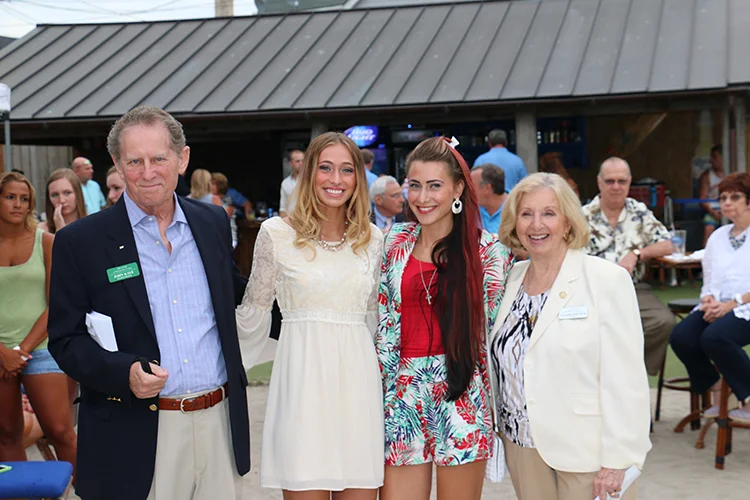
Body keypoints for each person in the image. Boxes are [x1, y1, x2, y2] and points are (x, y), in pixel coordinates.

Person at [47, 106, 250, 500]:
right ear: (117, 164)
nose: (148, 172)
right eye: (134, 161)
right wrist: (123, 373)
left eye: (159, 158)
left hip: (219, 425)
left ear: (182, 159)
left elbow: (236, 295)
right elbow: (65, 339)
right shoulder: (80, 242)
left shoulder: (211, 222)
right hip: (137, 433)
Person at [235, 132, 384, 498]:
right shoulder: (275, 234)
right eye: (325, 168)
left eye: (346, 170)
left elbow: (375, 321)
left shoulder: (374, 239)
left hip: (358, 390)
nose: (336, 179)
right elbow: (252, 314)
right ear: (308, 173)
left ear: (358, 178)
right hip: (302, 391)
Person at [494, 172, 651, 500]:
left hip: (587, 453)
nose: (537, 225)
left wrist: (619, 459)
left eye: (549, 213)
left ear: (568, 222)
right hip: (521, 447)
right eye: (526, 214)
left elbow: (626, 379)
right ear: (514, 223)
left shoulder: (606, 280)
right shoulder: (509, 280)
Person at [377, 137, 512, 500]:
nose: (423, 197)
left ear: (457, 189)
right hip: (401, 394)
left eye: (434, 185)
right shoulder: (392, 243)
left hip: (462, 390)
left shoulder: (487, 252)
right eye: (415, 185)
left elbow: (497, 331)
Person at [0, 172, 77, 475]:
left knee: (60, 431)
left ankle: (82, 492)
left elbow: (56, 303)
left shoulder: (46, 242)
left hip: (42, 348)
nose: (18, 204)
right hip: (1, 352)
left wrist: (20, 351)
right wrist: (4, 352)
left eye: (24, 199)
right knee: (7, 433)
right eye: (10, 197)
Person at [582, 157, 673, 378]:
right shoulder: (582, 216)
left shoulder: (639, 212)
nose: (616, 187)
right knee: (592, 329)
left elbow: (668, 244)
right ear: (599, 182)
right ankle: (609, 376)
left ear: (630, 182)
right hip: (591, 290)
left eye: (622, 181)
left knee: (663, 321)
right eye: (610, 181)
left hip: (633, 288)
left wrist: (637, 253)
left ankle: (631, 373)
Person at [670, 172, 750, 423]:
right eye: (723, 197)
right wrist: (709, 300)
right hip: (720, 305)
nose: (726, 202)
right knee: (681, 337)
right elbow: (710, 278)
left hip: (745, 306)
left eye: (735, 197)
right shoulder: (718, 236)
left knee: (715, 337)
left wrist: (730, 305)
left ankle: (749, 399)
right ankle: (717, 389)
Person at [39, 168, 87, 233]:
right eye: (55, 195)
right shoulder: (41, 230)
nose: (61, 200)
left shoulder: (93, 225)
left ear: (78, 193)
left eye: (67, 193)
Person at [471, 163, 507, 234]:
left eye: (472, 186)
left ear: (487, 188)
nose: (468, 190)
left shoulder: (517, 208)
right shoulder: (472, 209)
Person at [699, 145, 725, 246]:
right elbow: (702, 200)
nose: (712, 160)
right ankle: (706, 252)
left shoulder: (731, 174)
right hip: (713, 210)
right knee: (708, 228)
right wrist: (712, 211)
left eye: (715, 157)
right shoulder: (707, 176)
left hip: (730, 208)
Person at [211, 172, 238, 248]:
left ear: (220, 185)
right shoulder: (208, 198)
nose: (210, 186)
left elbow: (224, 217)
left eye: (213, 184)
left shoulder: (227, 200)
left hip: (228, 238)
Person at [279, 149, 304, 217]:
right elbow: (282, 209)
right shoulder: (285, 183)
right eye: (297, 161)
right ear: (291, 163)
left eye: (303, 161)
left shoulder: (311, 180)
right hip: (291, 220)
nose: (301, 163)